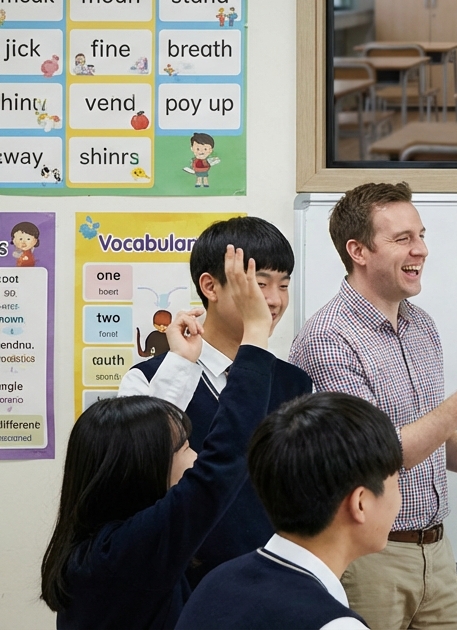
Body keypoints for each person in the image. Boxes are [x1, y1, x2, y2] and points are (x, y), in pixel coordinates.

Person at [290, 181, 457, 630]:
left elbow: (430, 425)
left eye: (421, 235)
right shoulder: (328, 340)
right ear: (358, 251)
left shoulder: (421, 326)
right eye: (403, 239)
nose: (422, 250)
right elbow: (374, 457)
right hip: (368, 557)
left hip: (435, 551)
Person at [40, 246, 276, 630]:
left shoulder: (97, 545)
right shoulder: (136, 547)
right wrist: (255, 335)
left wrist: (180, 362)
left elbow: (148, 432)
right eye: (184, 449)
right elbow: (222, 462)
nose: (195, 457)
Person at [118, 216, 314, 586]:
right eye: (259, 285)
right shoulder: (148, 378)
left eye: (283, 285)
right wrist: (178, 367)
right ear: (210, 286)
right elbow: (139, 481)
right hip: (183, 586)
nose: (273, 300)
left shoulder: (295, 383)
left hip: (274, 581)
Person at [175, 392, 404, 630]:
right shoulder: (335, 624)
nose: (399, 497)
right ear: (360, 503)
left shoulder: (216, 581)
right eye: (396, 482)